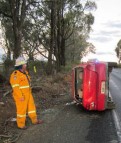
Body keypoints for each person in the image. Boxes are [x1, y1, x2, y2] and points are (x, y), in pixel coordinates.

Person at [10, 57, 43, 129]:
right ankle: (21, 124)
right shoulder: (15, 75)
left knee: (32, 108)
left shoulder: (25, 73)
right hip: (21, 96)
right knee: (21, 110)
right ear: (20, 65)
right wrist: (20, 96)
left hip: (28, 94)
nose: (26, 65)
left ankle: (34, 120)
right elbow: (15, 87)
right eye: (24, 64)